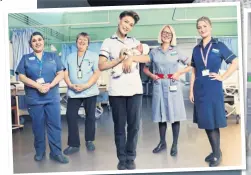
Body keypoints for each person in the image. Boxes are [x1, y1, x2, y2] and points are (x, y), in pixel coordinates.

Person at [98, 10, 150, 170]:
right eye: (126, 22)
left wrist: (131, 58)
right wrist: (120, 58)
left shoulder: (135, 42)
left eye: (131, 25)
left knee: (134, 126)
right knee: (120, 126)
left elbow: (147, 58)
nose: (127, 26)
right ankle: (121, 158)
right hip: (117, 91)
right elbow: (101, 65)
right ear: (120, 20)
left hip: (135, 90)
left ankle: (131, 156)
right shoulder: (108, 42)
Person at [190, 16, 238, 167]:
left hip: (213, 88)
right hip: (199, 89)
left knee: (212, 122)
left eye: (204, 26)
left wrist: (222, 76)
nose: (202, 29)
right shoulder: (196, 49)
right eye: (199, 27)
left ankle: (217, 154)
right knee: (205, 122)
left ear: (210, 27)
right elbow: (194, 70)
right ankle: (215, 150)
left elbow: (235, 62)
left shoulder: (219, 45)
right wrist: (191, 90)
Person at [15, 31, 69, 164]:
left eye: (39, 39)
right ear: (30, 44)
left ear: (44, 41)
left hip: (51, 97)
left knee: (55, 125)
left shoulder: (53, 56)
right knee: (37, 126)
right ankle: (40, 151)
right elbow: (21, 76)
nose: (37, 42)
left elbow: (61, 73)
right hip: (35, 98)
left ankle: (56, 153)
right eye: (34, 40)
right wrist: (37, 86)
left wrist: (50, 85)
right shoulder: (25, 58)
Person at [143, 25, 191, 156]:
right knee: (161, 115)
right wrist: (153, 76)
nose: (166, 35)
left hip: (173, 84)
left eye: (169, 33)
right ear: (160, 34)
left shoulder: (176, 51)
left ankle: (175, 144)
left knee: (175, 115)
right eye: (164, 32)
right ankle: (162, 142)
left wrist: (179, 73)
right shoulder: (154, 52)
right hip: (159, 84)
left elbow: (190, 65)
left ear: (172, 36)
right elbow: (145, 69)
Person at [63, 32, 100, 154]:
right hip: (74, 91)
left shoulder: (94, 56)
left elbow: (96, 73)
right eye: (80, 39)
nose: (82, 41)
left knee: (90, 117)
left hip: (89, 91)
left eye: (85, 40)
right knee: (70, 116)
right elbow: (65, 73)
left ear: (88, 44)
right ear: (76, 42)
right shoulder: (70, 57)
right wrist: (70, 85)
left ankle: (89, 141)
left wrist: (86, 85)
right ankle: (74, 144)